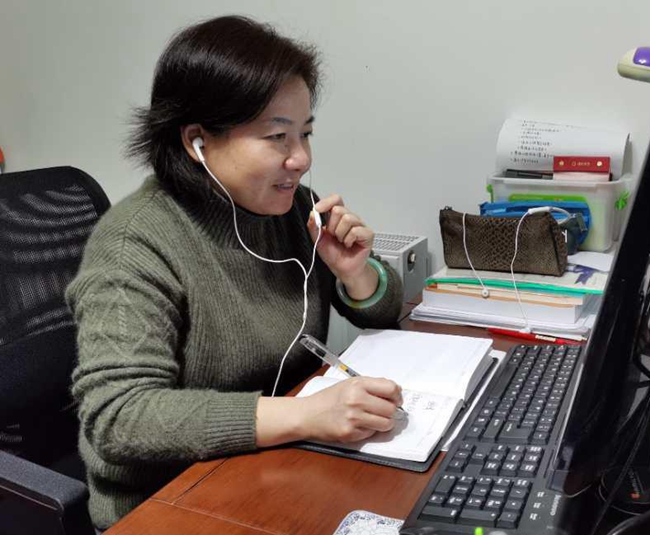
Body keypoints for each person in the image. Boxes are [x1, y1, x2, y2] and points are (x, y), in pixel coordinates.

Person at [66, 15, 404, 530]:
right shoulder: (134, 244)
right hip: (170, 502)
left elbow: (385, 310)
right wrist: (306, 415)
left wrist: (356, 275)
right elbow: (119, 418)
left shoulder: (293, 208)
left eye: (305, 133)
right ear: (197, 141)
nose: (301, 159)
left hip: (276, 464)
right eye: (278, 136)